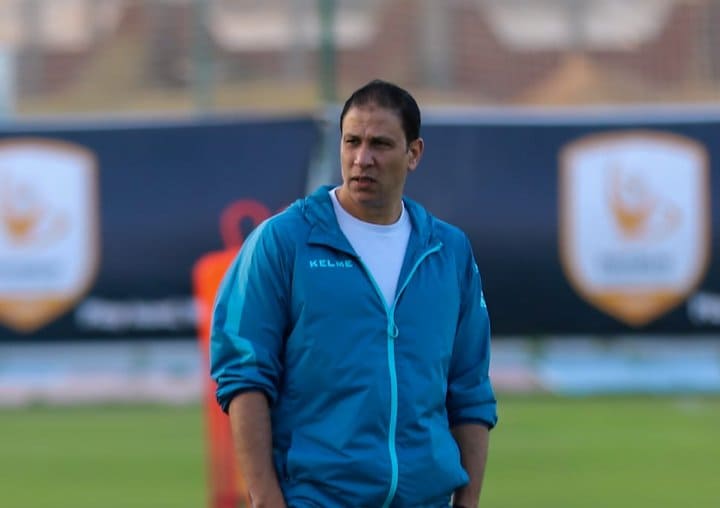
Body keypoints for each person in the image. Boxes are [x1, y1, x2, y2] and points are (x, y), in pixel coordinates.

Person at [211, 79, 497, 508]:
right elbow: (244, 376)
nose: (363, 159)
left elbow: (470, 389)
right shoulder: (285, 241)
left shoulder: (448, 252)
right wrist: (266, 499)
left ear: (414, 153)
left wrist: (468, 501)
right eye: (352, 142)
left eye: (380, 144)